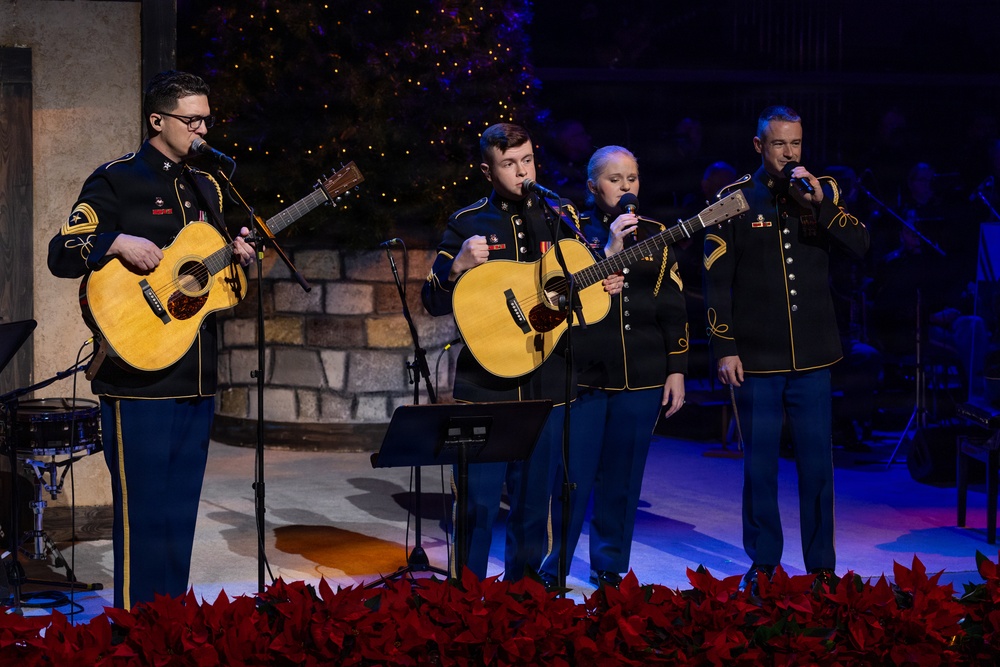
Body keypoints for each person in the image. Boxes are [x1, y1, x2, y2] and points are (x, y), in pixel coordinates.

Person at [47, 70, 256, 609]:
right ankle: (136, 628)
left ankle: (174, 625)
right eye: (192, 119)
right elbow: (63, 252)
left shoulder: (208, 185)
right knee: (143, 512)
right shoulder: (118, 179)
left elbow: (213, 289)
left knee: (181, 509)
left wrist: (240, 263)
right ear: (157, 120)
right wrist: (116, 240)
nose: (202, 129)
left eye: (207, 119)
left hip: (197, 374)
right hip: (136, 379)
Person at [421, 123, 622, 583]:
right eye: (509, 164)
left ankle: (526, 595)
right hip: (485, 385)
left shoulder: (561, 213)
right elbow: (431, 300)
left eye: (527, 160)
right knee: (477, 501)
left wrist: (605, 279)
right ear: (487, 169)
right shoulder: (466, 221)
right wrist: (456, 268)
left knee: (535, 502)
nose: (521, 171)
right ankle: (467, 595)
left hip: (548, 381)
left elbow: (582, 280)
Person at [703, 106, 869, 593]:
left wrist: (819, 205)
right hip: (756, 357)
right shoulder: (732, 200)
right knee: (760, 466)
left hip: (815, 356)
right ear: (759, 146)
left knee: (819, 465)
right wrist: (724, 346)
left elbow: (860, 246)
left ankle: (821, 567)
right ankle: (764, 563)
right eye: (779, 144)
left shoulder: (824, 193)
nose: (789, 153)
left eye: (796, 144)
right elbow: (716, 282)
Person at [538, 145, 687, 588]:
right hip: (584, 376)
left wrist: (676, 368)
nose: (626, 188)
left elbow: (673, 307)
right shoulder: (571, 232)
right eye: (615, 180)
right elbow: (555, 295)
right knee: (572, 479)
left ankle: (609, 566)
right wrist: (609, 249)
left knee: (622, 482)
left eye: (632, 179)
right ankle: (555, 564)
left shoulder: (657, 233)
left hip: (641, 375)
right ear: (592, 186)